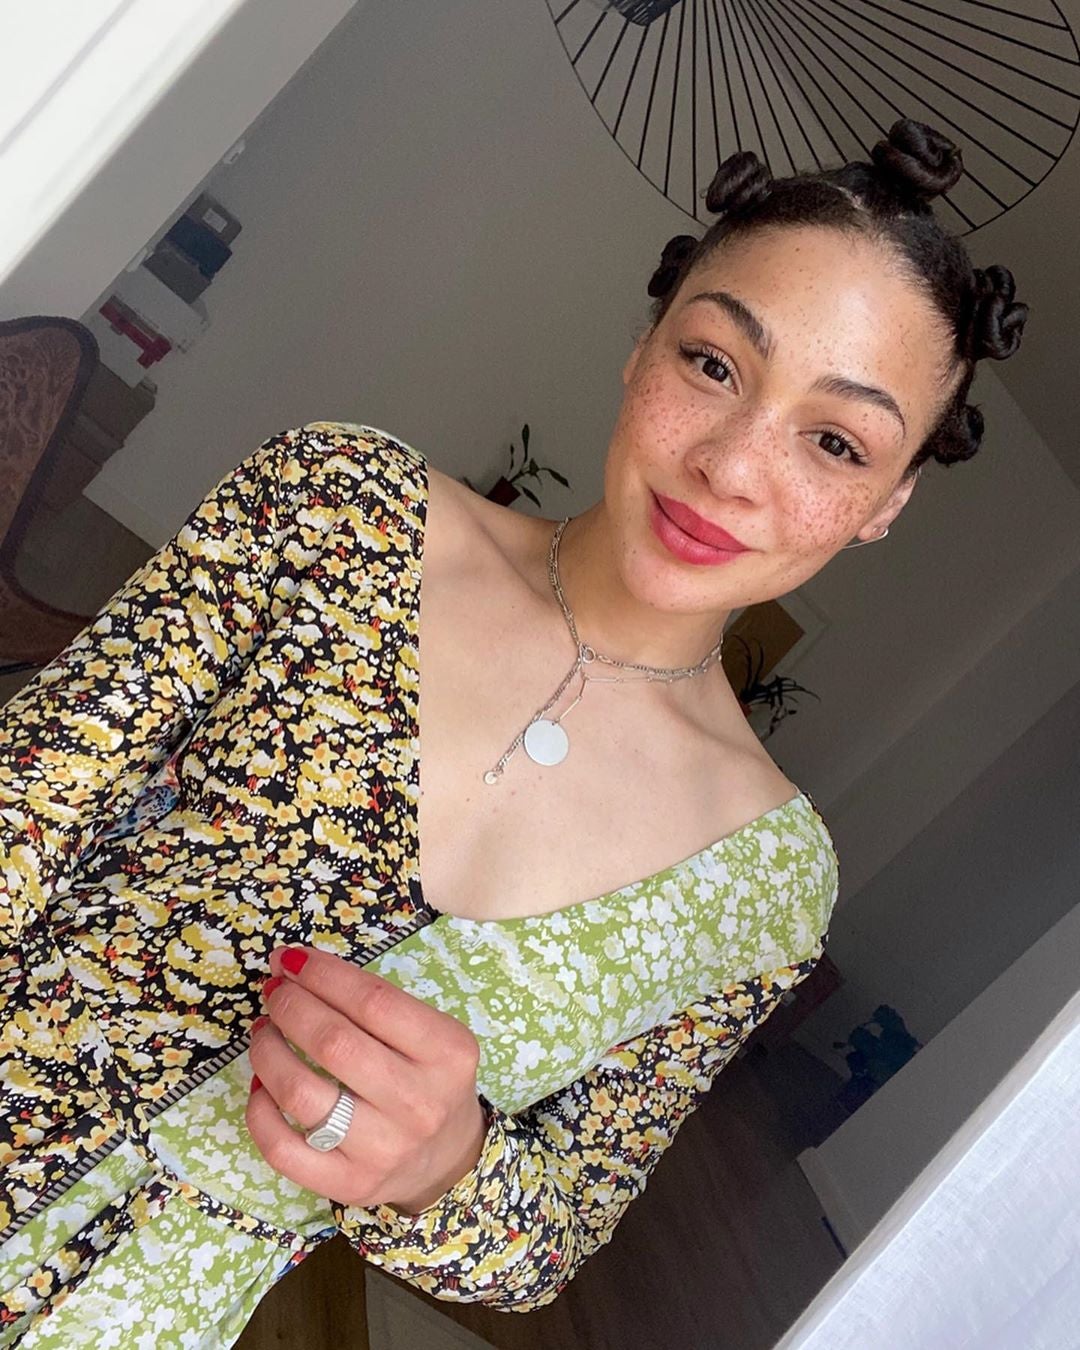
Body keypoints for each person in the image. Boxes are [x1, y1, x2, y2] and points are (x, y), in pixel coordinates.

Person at [0, 116, 1028, 1345]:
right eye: (714, 364)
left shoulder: (765, 889)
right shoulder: (338, 507)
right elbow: (23, 808)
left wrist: (439, 1166)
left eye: (836, 441)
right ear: (643, 345)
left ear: (886, 503)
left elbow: (548, 1241)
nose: (733, 466)